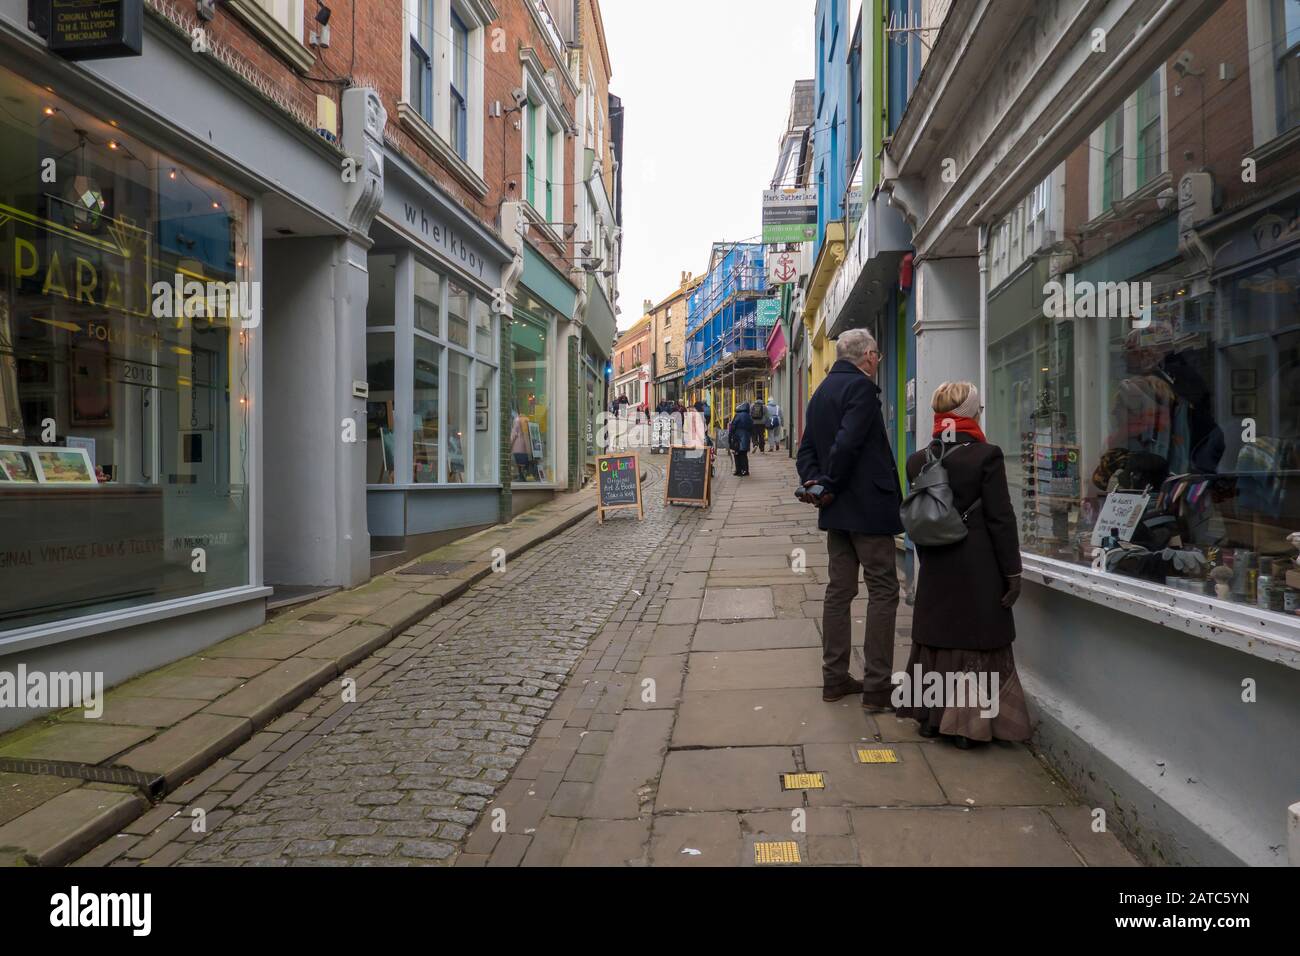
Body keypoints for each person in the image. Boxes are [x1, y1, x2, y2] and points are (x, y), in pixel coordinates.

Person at [899, 381, 1031, 748]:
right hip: (978, 567)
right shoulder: (986, 457)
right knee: (975, 641)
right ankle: (968, 728)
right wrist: (1013, 572)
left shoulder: (918, 460)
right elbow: (1001, 520)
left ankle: (930, 719)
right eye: (978, 407)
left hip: (937, 564)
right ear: (969, 413)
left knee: (937, 640)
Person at [796, 329, 901, 708]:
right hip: (867, 510)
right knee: (884, 591)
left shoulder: (821, 392)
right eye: (877, 355)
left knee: (839, 592)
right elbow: (848, 444)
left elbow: (806, 448)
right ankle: (877, 686)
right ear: (868, 356)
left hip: (836, 511)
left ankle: (834, 678)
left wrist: (813, 482)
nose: (877, 361)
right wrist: (827, 483)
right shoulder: (861, 390)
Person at [729, 404, 753, 476]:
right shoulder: (748, 416)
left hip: (738, 437)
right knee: (744, 454)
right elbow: (751, 426)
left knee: (737, 454)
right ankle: (745, 470)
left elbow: (733, 426)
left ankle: (738, 470)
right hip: (746, 437)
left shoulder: (738, 415)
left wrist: (730, 436)